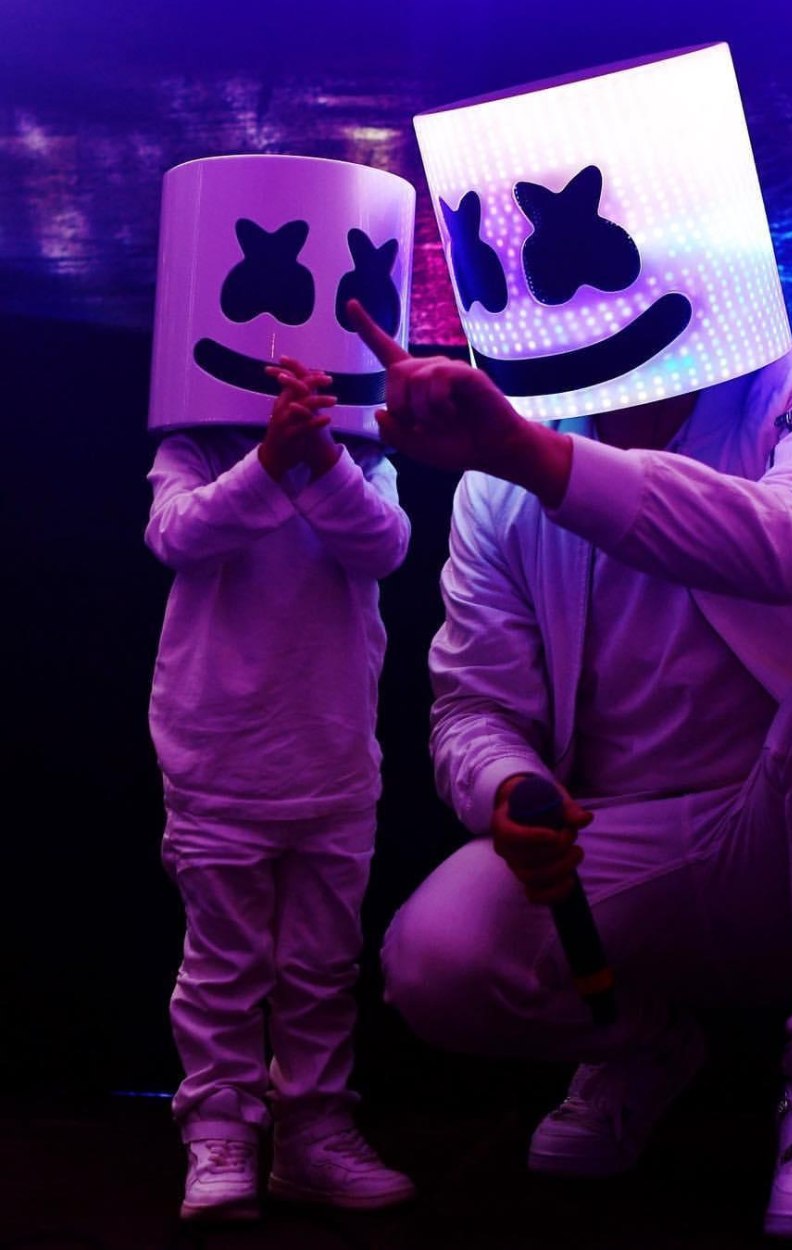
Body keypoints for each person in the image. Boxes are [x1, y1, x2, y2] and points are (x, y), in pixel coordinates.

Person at [346, 291, 792, 1242]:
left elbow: (791, 539)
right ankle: (639, 1045)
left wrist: (529, 455)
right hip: (619, 845)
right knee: (436, 959)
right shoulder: (498, 483)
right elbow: (476, 706)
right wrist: (508, 787)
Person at [146, 356, 415, 1221]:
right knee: (223, 968)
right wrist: (267, 461)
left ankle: (312, 1133)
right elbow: (176, 535)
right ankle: (219, 1128)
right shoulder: (190, 447)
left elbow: (384, 545)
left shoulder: (364, 455)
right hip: (219, 763)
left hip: (331, 762)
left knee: (321, 968)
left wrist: (322, 457)